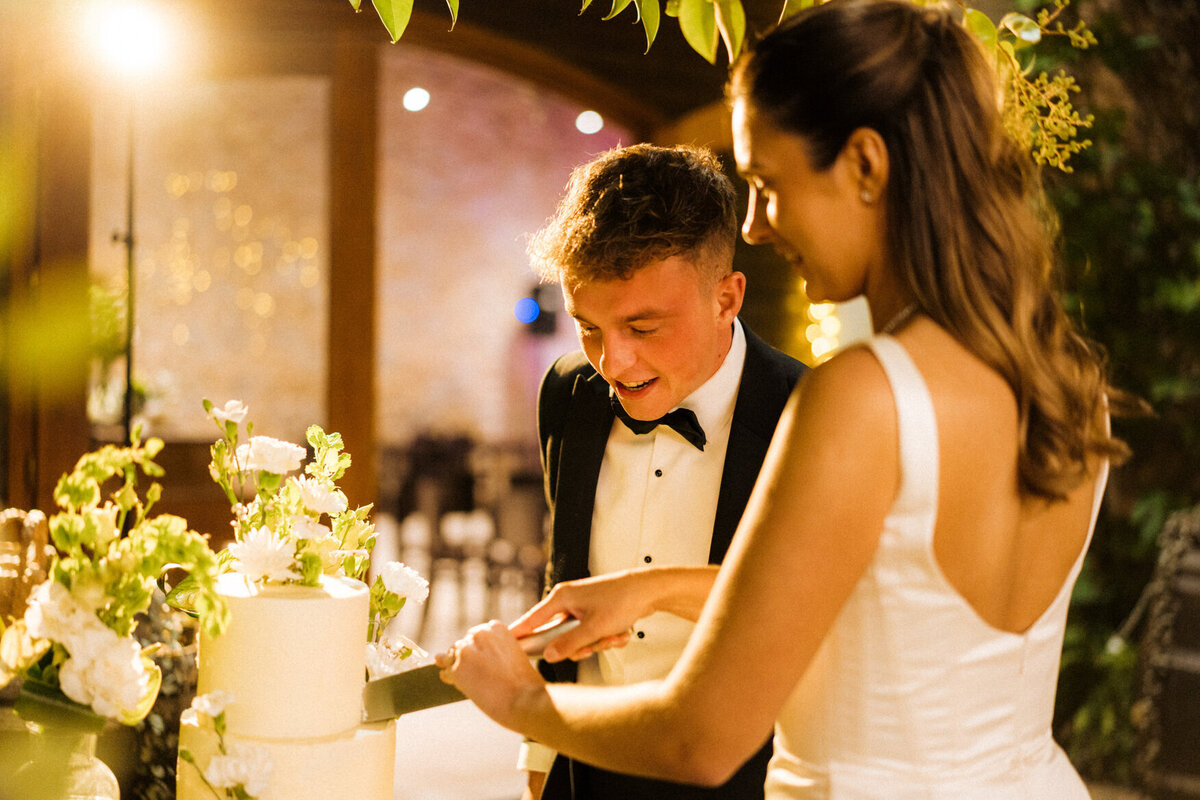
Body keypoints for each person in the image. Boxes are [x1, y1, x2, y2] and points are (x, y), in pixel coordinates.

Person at [437, 0, 1133, 796]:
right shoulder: (1067, 379)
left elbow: (700, 738)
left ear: (867, 166)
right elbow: (889, 597)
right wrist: (653, 588)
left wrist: (521, 702)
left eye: (768, 184)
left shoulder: (858, 398)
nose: (760, 226)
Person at [519, 142, 805, 799]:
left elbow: (812, 609)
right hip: (584, 770)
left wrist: (648, 590)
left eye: (643, 328)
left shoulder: (809, 413)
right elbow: (563, 573)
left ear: (727, 298)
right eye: (589, 327)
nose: (611, 363)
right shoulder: (568, 391)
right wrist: (540, 761)